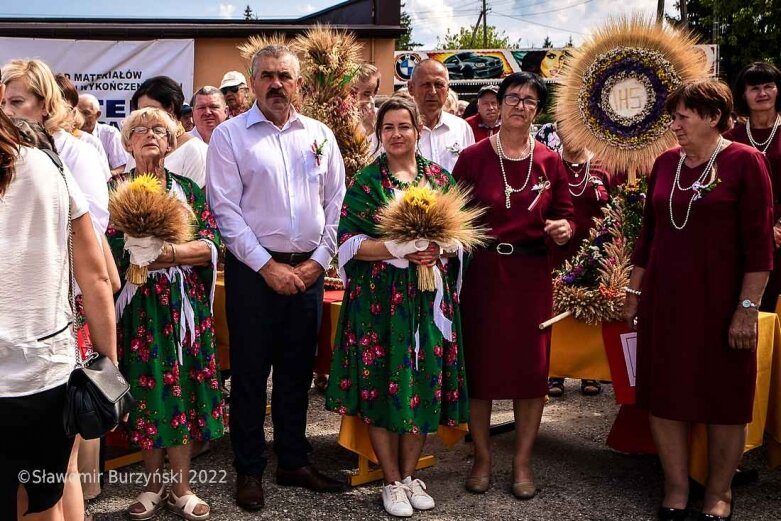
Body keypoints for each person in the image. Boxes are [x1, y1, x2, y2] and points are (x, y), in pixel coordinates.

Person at [623, 79, 773, 521]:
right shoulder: (666, 163)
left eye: (682, 116)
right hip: (666, 303)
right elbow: (648, 235)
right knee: (665, 394)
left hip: (723, 304)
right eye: (674, 117)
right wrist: (633, 293)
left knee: (724, 399)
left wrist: (746, 310)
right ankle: (675, 488)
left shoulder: (747, 162)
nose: (674, 125)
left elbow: (760, 246)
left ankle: (719, 493)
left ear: (712, 117)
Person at [206, 44, 346, 511]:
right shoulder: (230, 136)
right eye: (266, 76)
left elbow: (335, 206)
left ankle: (293, 459)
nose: (276, 85)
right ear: (252, 84)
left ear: (298, 83)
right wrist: (267, 266)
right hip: (253, 274)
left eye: (285, 76)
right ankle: (249, 469)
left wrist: (317, 262)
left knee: (296, 372)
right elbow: (225, 210)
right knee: (249, 375)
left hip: (307, 271)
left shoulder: (320, 135)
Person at [325, 96, 469, 517]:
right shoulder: (368, 183)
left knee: (422, 383)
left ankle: (410, 477)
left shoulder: (440, 180)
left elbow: (464, 238)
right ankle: (389, 479)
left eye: (403, 126)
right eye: (388, 127)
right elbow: (348, 245)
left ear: (418, 131)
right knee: (382, 383)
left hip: (428, 302)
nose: (396, 134)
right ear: (379, 133)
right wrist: (395, 247)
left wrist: (438, 247)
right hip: (379, 304)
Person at [452, 72, 575, 499]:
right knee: (481, 370)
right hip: (484, 274)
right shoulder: (471, 158)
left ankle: (522, 463)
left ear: (536, 111)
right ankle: (482, 458)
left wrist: (563, 227)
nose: (520, 105)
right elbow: (454, 216)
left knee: (531, 373)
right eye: (513, 98)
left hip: (531, 277)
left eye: (529, 100)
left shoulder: (550, 161)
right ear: (498, 104)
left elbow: (566, 213)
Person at [0, 98, 117, 520]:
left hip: (41, 372)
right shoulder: (50, 166)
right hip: (44, 371)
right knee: (44, 500)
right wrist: (109, 367)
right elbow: (97, 276)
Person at [108, 107, 225, 520]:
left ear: (173, 141)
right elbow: (98, 252)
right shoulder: (113, 190)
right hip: (139, 311)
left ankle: (182, 487)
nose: (149, 134)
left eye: (159, 128)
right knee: (148, 391)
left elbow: (212, 245)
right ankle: (152, 485)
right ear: (127, 143)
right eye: (138, 129)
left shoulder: (189, 190)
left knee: (183, 392)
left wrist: (168, 253)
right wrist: (130, 253)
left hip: (183, 310)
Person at [546, 125, 612, 398]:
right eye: (564, 129)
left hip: (596, 253)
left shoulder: (603, 165)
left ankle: (589, 373)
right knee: (555, 312)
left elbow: (615, 208)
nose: (571, 134)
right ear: (557, 132)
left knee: (590, 311)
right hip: (557, 252)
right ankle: (555, 373)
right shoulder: (548, 164)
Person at [724, 62, 781, 312]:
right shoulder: (729, 138)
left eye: (769, 86)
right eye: (754, 88)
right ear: (743, 94)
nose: (762, 93)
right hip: (741, 233)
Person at [129, 75, 208, 188]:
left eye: (150, 110)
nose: (145, 117)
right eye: (141, 112)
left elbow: (193, 202)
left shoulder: (196, 150)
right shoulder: (139, 145)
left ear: (170, 108)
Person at [407, 59, 474, 173]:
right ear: (410, 88)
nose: (432, 92)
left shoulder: (462, 128)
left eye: (439, 85)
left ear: (448, 89)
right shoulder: (397, 130)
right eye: (426, 85)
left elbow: (472, 172)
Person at [78, 93, 129, 176]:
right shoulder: (68, 135)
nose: (80, 117)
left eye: (86, 113)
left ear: (98, 115)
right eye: (77, 113)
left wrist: (102, 177)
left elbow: (122, 168)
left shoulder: (110, 134)